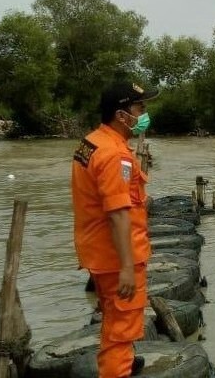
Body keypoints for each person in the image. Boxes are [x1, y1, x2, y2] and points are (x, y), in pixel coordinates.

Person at [72, 81, 157, 378]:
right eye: (140, 108)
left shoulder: (92, 142)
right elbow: (118, 213)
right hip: (118, 258)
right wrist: (126, 268)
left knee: (113, 321)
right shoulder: (113, 155)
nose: (144, 113)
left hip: (100, 252)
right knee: (121, 334)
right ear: (122, 115)